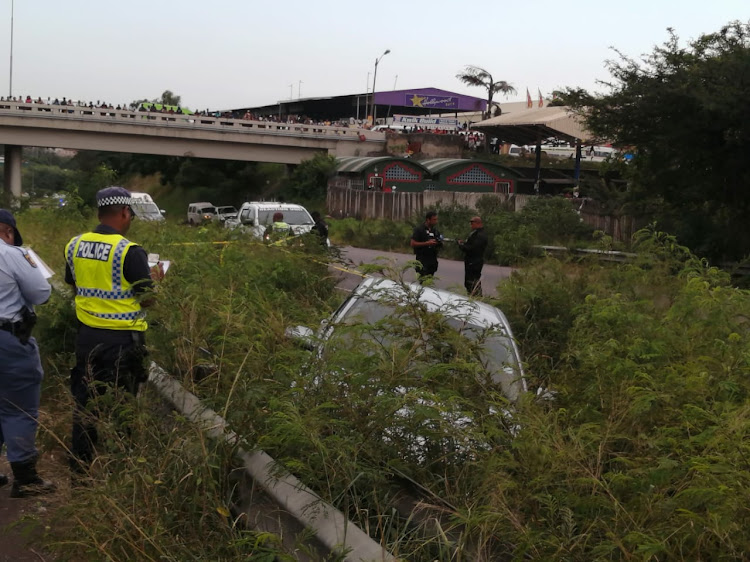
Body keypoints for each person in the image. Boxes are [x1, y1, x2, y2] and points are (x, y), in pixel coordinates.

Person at [64, 187, 162, 473]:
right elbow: (148, 299)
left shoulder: (74, 245)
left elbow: (75, 286)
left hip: (86, 338)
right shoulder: (129, 251)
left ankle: (80, 472)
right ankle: (123, 469)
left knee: (85, 405)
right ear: (124, 212)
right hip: (122, 342)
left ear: (98, 212)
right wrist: (156, 279)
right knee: (123, 408)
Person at [0, 209, 56, 498]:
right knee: (19, 406)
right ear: (8, 231)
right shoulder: (13, 254)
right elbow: (41, 294)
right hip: (8, 339)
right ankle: (25, 477)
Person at [458, 216, 489, 296]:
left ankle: (477, 298)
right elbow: (470, 244)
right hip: (470, 261)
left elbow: (473, 248)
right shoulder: (475, 233)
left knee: (472, 282)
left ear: (477, 223)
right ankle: (472, 296)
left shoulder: (480, 235)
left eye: (472, 223)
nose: (471, 225)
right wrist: (464, 243)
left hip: (475, 261)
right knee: (469, 282)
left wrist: (461, 246)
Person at [410, 210, 443, 282]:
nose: (436, 221)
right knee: (423, 283)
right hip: (422, 260)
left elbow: (439, 242)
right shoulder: (419, 229)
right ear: (428, 220)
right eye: (434, 219)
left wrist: (439, 243)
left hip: (432, 261)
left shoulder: (435, 231)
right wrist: (427, 243)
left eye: (436, 219)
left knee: (429, 283)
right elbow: (413, 243)